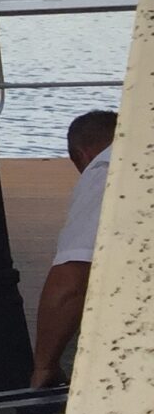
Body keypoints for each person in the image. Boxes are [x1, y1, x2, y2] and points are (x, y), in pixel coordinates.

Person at [30, 108, 121, 387]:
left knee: (70, 349)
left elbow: (71, 282)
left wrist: (44, 366)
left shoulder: (106, 170)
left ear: (82, 155)